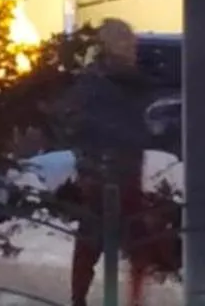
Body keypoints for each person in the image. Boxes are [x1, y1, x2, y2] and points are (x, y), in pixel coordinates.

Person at [64, 19, 153, 306]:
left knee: (110, 242)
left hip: (116, 169)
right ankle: (91, 299)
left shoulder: (110, 79)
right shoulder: (101, 82)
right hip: (108, 170)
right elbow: (82, 122)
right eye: (127, 41)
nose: (133, 47)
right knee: (103, 240)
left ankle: (88, 299)